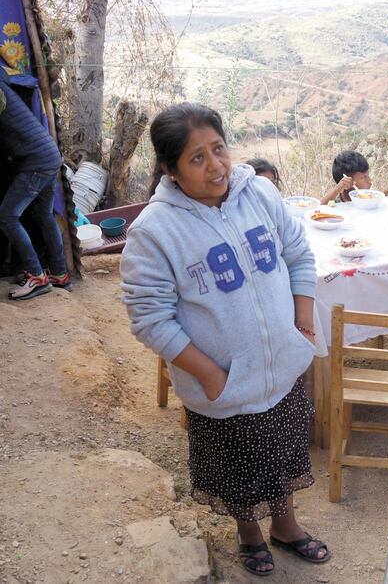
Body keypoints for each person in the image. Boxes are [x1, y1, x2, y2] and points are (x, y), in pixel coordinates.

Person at [120, 103, 329, 576]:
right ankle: (249, 534)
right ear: (171, 169)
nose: (215, 166)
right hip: (223, 383)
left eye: (218, 149)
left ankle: (286, 527)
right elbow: (150, 319)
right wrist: (211, 375)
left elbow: (298, 254)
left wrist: (302, 323)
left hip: (282, 366)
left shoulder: (259, 193)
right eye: (197, 158)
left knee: (284, 452)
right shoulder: (155, 232)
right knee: (238, 469)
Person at [0, 77, 70, 300]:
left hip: (36, 162)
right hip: (48, 155)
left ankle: (37, 276)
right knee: (43, 215)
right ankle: (59, 273)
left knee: (7, 217)